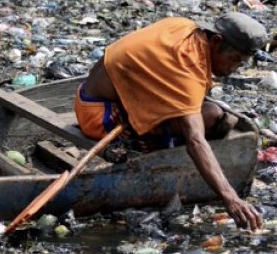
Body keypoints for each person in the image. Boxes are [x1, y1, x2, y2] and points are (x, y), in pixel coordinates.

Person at [74, 12, 267, 230]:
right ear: (215, 41)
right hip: (101, 117)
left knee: (215, 114)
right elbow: (195, 140)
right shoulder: (188, 67)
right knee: (212, 117)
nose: (234, 68)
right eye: (233, 60)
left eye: (240, 64)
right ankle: (167, 162)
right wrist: (229, 196)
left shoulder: (183, 26)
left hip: (88, 95)